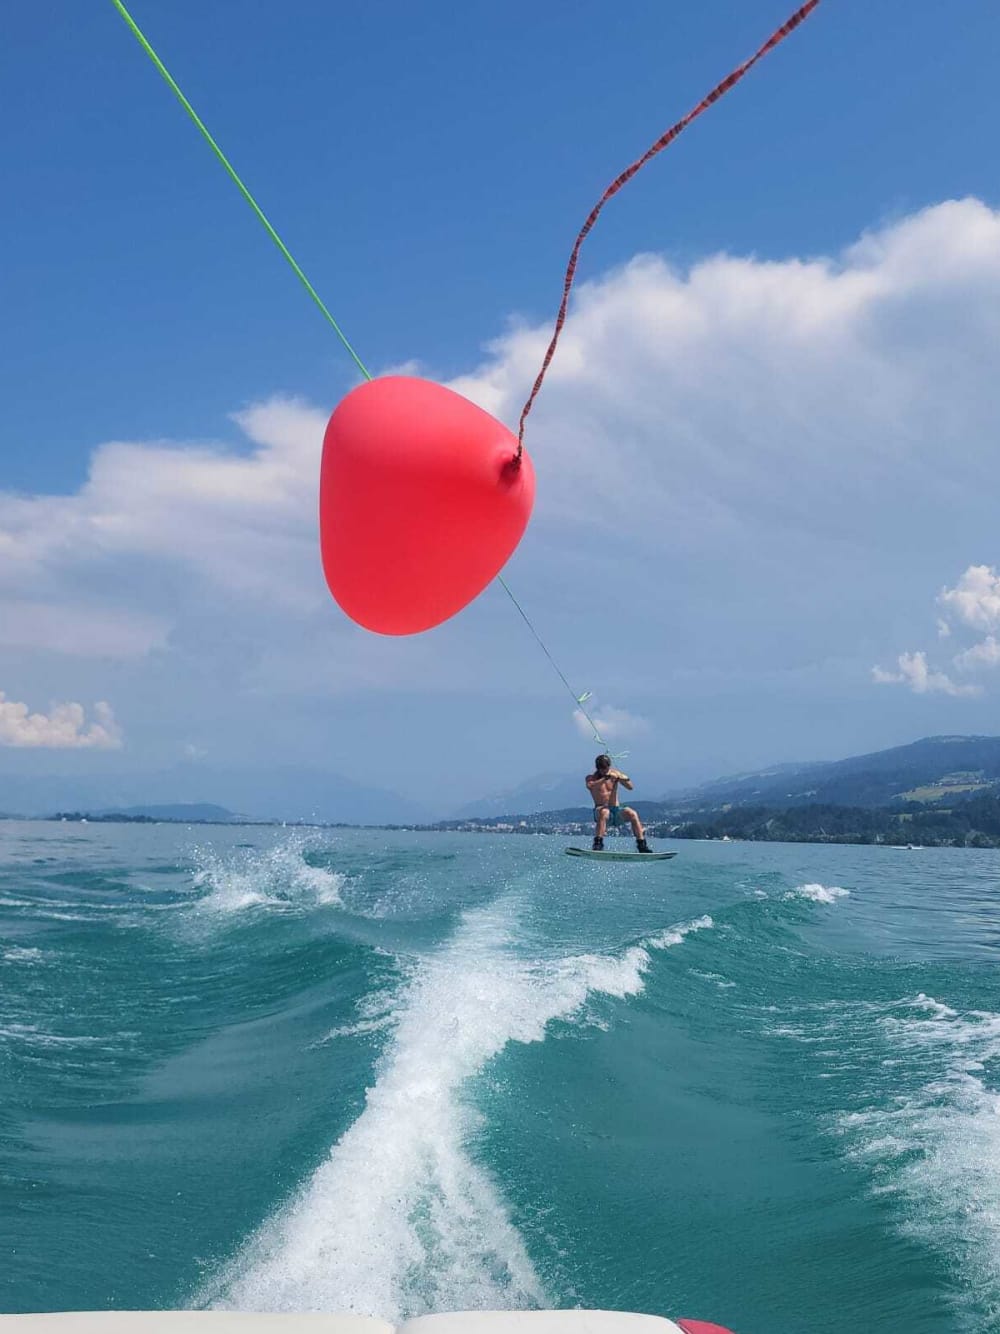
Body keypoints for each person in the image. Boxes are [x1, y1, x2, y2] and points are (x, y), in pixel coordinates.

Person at [585, 754, 652, 852]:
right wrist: (605, 778)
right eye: (602, 769)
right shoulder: (591, 778)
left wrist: (620, 777)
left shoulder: (615, 774)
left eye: (606, 768)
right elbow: (590, 786)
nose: (605, 771)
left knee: (632, 813)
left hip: (616, 810)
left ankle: (642, 845)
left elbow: (630, 787)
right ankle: (598, 844)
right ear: (598, 768)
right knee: (605, 812)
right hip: (600, 810)